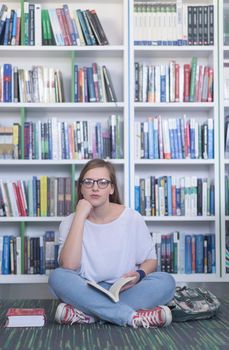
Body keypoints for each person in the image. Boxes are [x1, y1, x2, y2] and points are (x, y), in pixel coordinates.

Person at [49, 159, 176, 328]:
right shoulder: (69, 221)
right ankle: (128, 316)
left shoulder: (132, 218)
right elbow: (69, 266)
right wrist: (79, 216)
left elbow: (151, 261)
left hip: (123, 290)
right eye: (88, 182)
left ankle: (90, 314)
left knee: (166, 281)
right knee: (58, 276)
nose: (95, 188)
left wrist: (139, 275)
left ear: (112, 188)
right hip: (86, 290)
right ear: (81, 188)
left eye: (102, 182)